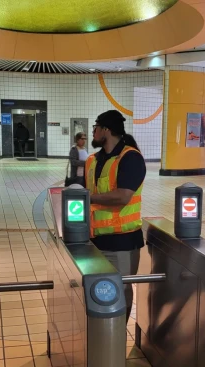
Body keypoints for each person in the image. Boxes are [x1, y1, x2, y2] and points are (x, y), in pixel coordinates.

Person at [85, 110, 146, 323]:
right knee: (97, 291)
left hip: (122, 242)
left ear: (106, 130)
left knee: (120, 290)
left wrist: (87, 198)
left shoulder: (130, 158)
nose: (93, 131)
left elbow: (123, 196)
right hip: (94, 240)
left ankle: (116, 340)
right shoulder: (92, 160)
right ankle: (102, 338)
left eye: (96, 127)